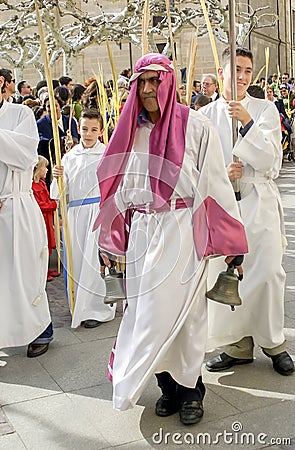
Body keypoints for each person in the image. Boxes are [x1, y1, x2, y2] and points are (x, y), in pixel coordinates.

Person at [93, 53, 248, 425]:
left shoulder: (196, 127)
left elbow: (215, 186)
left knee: (189, 317)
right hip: (142, 235)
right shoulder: (129, 130)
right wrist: (110, 241)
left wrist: (231, 243)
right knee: (146, 314)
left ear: (169, 83)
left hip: (183, 229)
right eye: (141, 82)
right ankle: (166, 387)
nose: (148, 89)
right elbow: (116, 190)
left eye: (155, 81)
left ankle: (191, 390)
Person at [201, 47, 294, 376]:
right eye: (236, 69)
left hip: (258, 198)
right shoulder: (204, 116)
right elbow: (195, 166)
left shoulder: (265, 109)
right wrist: (220, 176)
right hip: (224, 205)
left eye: (247, 70)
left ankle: (274, 343)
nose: (241, 76)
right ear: (222, 71)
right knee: (225, 277)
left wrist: (247, 121)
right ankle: (237, 345)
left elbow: (272, 160)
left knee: (268, 272)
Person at [0, 58, 53, 379]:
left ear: (2, 81)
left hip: (17, 206)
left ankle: (39, 330)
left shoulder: (21, 115)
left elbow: (24, 157)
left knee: (24, 272)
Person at [52, 109, 116, 329]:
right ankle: (79, 304)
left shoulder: (106, 154)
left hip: (97, 212)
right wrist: (58, 178)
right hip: (75, 214)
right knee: (77, 261)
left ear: (100, 131)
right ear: (78, 129)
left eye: (93, 130)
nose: (88, 134)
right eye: (84, 129)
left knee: (93, 262)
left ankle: (97, 308)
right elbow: (59, 192)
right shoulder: (70, 157)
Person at [37, 95, 79, 189]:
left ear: (60, 107)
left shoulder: (70, 121)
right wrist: (62, 141)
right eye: (48, 106)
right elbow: (42, 142)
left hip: (71, 161)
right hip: (54, 164)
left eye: (55, 105)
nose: (52, 108)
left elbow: (77, 138)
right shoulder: (40, 124)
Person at [32, 156, 60, 282]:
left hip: (47, 218)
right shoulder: (32, 186)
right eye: (45, 167)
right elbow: (39, 204)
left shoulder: (42, 184)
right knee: (42, 243)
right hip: (41, 218)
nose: (47, 170)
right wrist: (53, 205)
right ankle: (41, 271)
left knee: (48, 242)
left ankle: (47, 268)